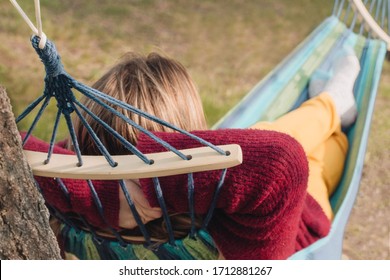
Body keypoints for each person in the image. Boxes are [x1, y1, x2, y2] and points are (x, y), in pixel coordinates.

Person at [23, 48, 360, 260]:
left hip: (239, 188)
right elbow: (281, 162)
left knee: (260, 133)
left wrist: (99, 192)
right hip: (301, 216)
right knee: (313, 146)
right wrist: (140, 187)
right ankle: (333, 105)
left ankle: (332, 103)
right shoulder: (228, 243)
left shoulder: (61, 214)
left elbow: (12, 144)